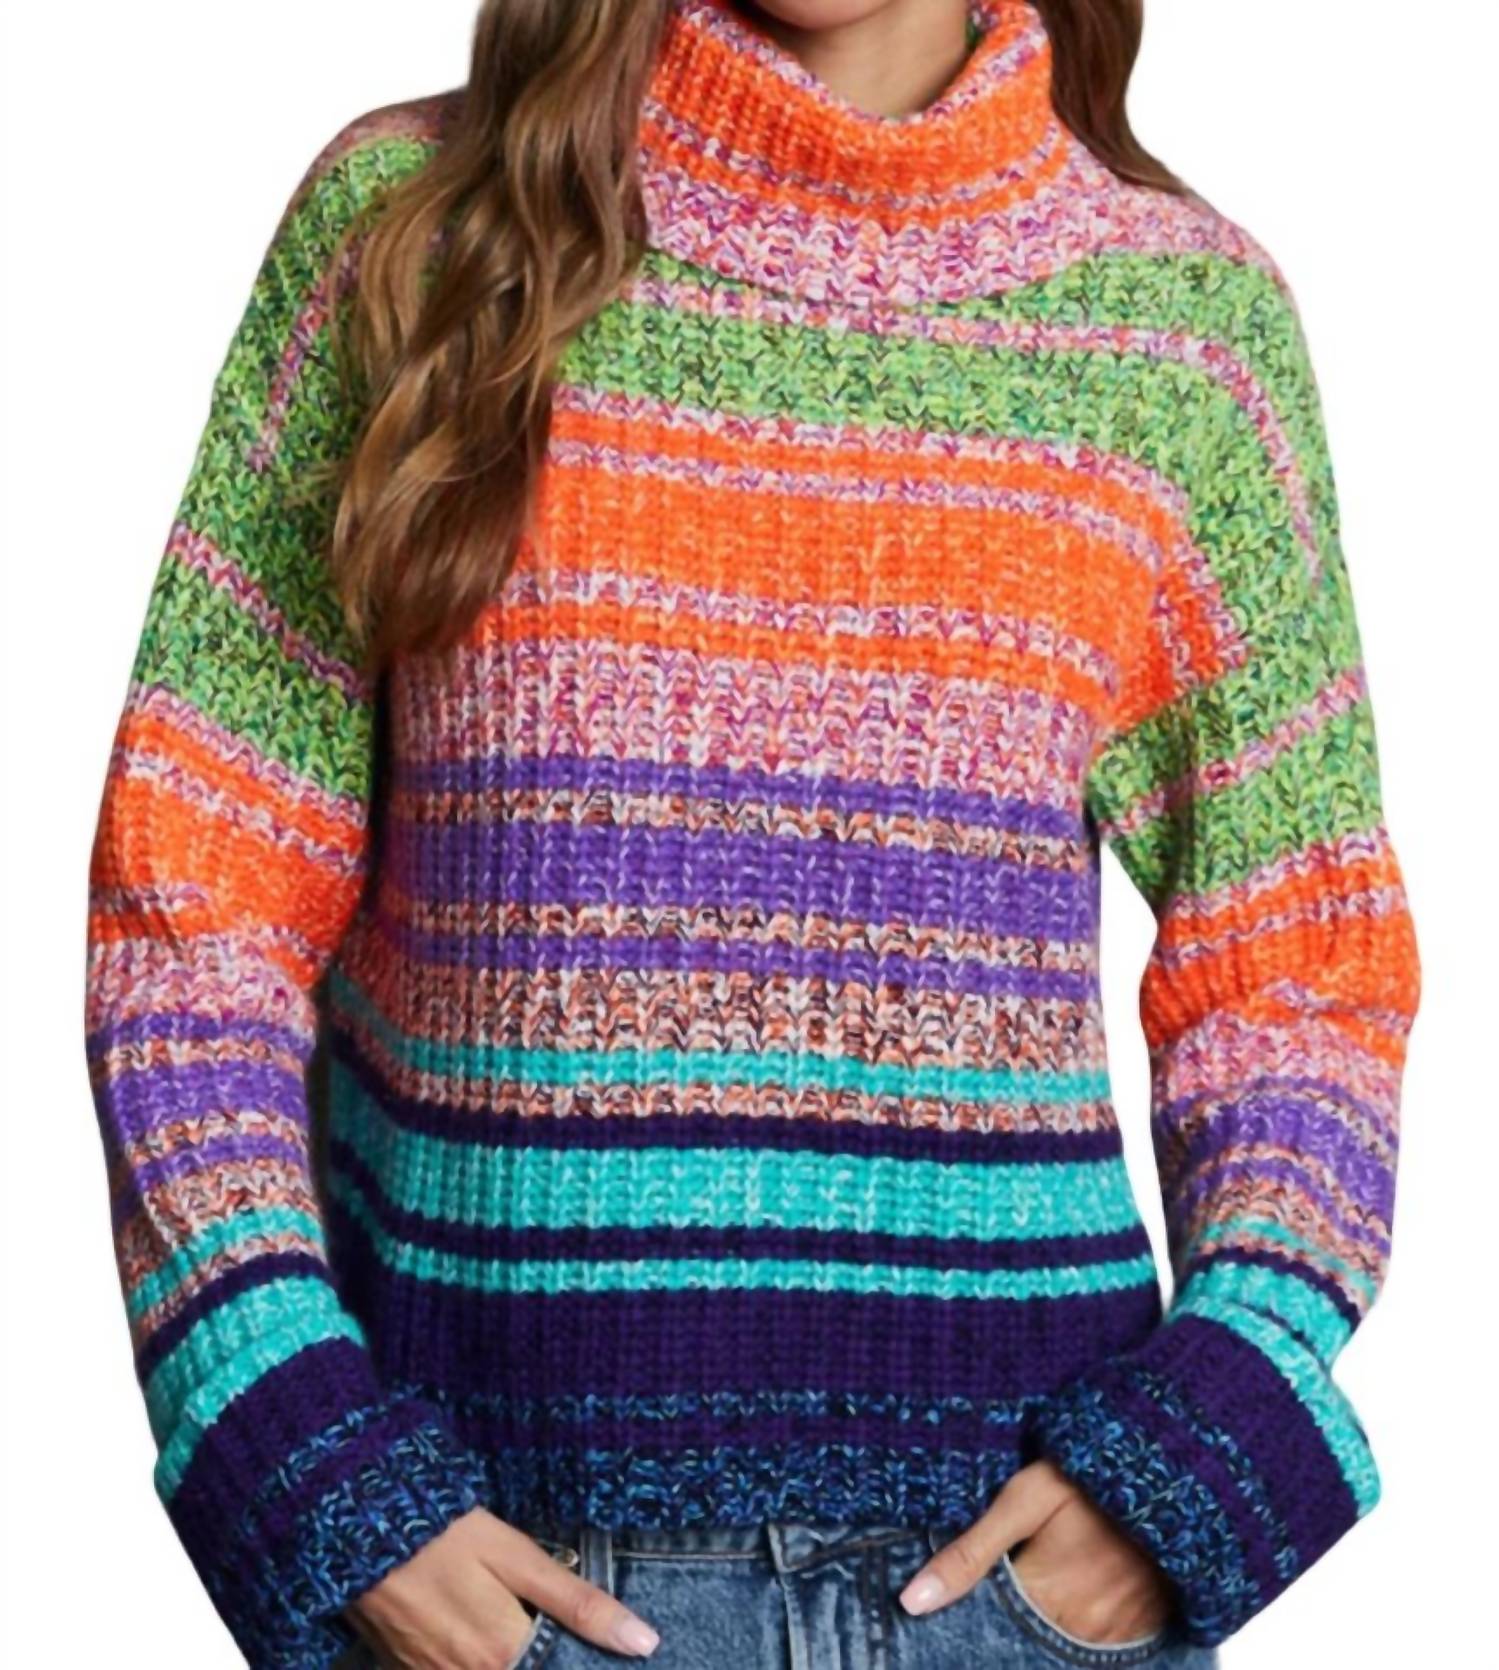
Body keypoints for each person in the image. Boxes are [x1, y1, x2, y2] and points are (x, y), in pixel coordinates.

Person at [81, 1, 1421, 1666]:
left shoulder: (1181, 332)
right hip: (495, 1580)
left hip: (1020, 1599)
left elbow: (1300, 973)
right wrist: (293, 1436)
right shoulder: (423, 236)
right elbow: (194, 903)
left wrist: (1209, 1439)